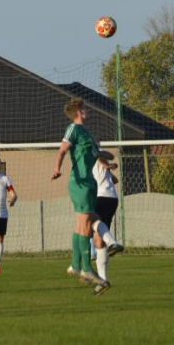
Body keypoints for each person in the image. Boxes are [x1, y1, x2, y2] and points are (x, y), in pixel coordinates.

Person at [52, 98, 110, 291]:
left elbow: (96, 154)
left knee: (83, 224)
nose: (87, 110)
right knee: (86, 224)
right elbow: (62, 151)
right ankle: (86, 268)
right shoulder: (73, 129)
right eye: (84, 108)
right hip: (80, 183)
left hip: (89, 183)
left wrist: (106, 156)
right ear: (78, 111)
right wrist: (57, 168)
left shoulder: (86, 133)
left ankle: (76, 266)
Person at [90, 156, 124, 296]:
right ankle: (102, 281)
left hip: (101, 197)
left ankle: (113, 243)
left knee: (89, 221)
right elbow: (115, 180)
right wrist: (107, 172)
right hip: (112, 198)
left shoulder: (93, 153)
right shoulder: (97, 156)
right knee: (98, 240)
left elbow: (99, 157)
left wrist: (107, 165)